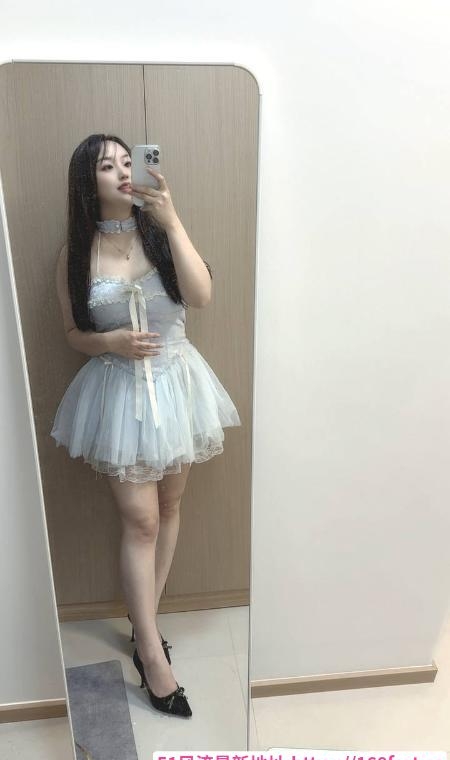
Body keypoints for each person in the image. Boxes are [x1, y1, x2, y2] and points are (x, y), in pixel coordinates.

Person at [50, 133, 242, 718]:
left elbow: (202, 296)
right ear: (87, 181)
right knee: (140, 519)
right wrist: (109, 341)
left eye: (126, 160)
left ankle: (144, 626)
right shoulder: (74, 253)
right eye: (107, 165)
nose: (122, 170)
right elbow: (72, 334)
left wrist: (173, 218)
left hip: (178, 384)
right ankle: (154, 659)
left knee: (170, 506)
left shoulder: (159, 232)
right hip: (119, 391)